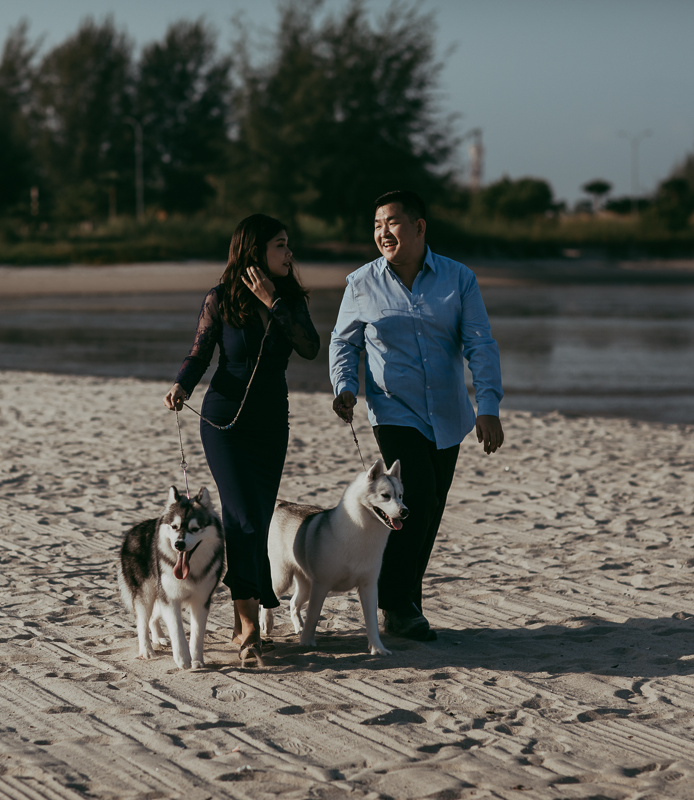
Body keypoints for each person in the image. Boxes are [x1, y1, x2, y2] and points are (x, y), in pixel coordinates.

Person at [330, 190, 504, 641]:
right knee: (418, 499)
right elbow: (344, 342)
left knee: (429, 511)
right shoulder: (361, 283)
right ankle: (396, 604)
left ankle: (406, 600)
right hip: (393, 411)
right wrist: (345, 386)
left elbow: (480, 344)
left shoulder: (458, 279)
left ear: (420, 226)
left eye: (392, 222)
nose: (382, 233)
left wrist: (487, 406)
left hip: (449, 414)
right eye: (376, 225)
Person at [164, 213, 320, 661]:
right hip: (223, 422)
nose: (290, 253)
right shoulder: (220, 300)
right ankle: (247, 621)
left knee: (257, 516)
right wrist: (181, 384)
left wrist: (273, 301)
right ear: (254, 251)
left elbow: (310, 347)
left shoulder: (288, 299)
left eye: (288, 245)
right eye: (281, 245)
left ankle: (242, 618)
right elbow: (200, 352)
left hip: (272, 424)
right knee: (243, 519)